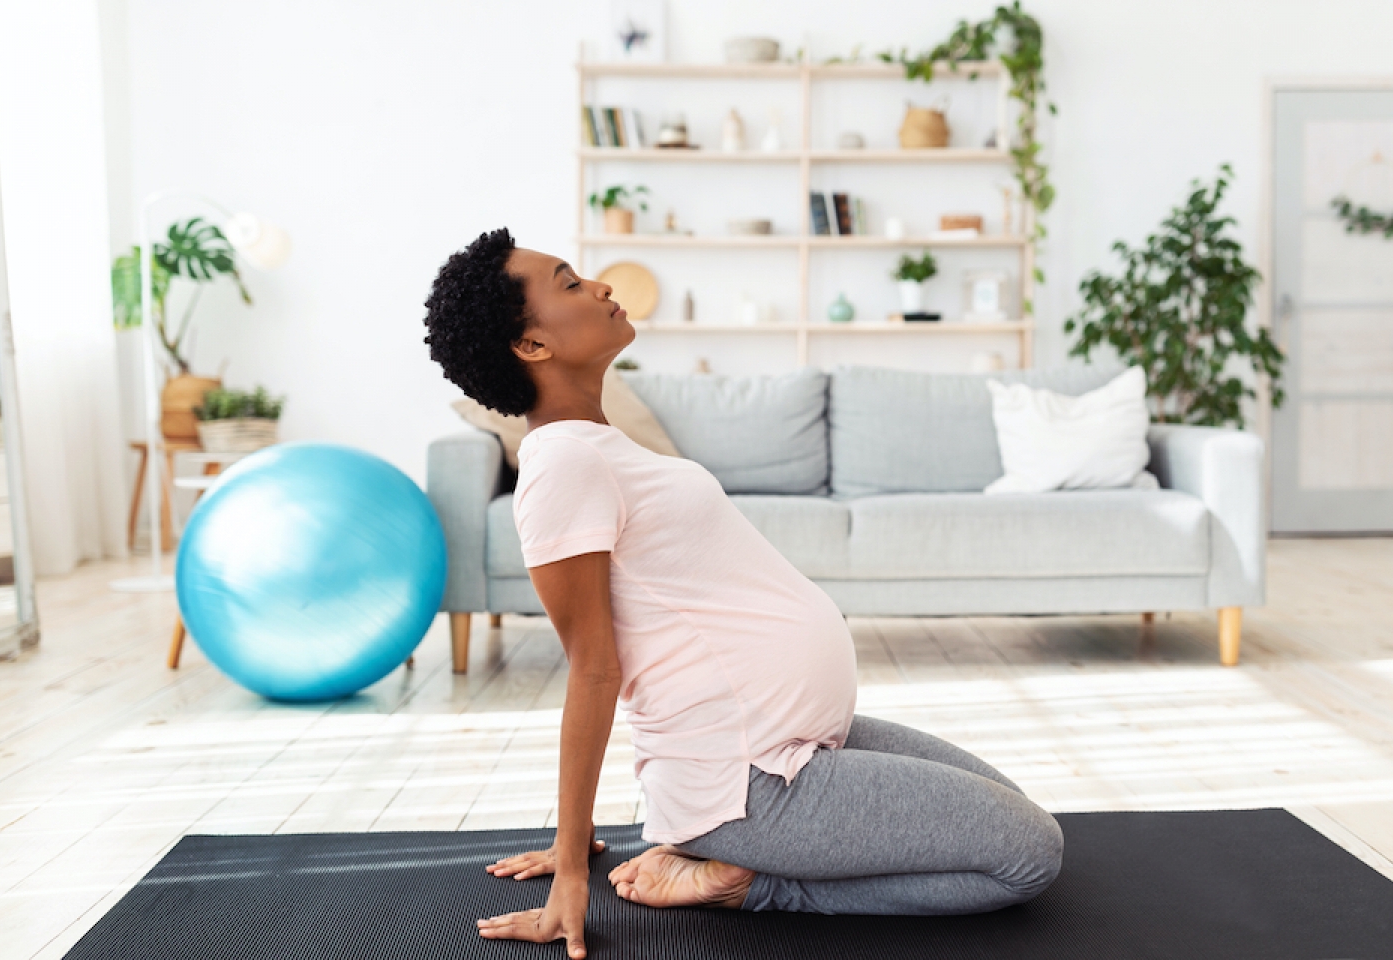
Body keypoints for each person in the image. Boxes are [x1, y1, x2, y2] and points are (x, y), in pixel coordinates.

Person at [422, 229, 1063, 959]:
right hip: (752, 784)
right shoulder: (563, 466)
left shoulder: (600, 446)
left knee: (1020, 813)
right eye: (569, 284)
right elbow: (594, 668)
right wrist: (570, 868)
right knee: (1028, 856)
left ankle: (703, 844)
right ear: (532, 347)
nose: (600, 286)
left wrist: (584, 836)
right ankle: (750, 883)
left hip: (793, 745)